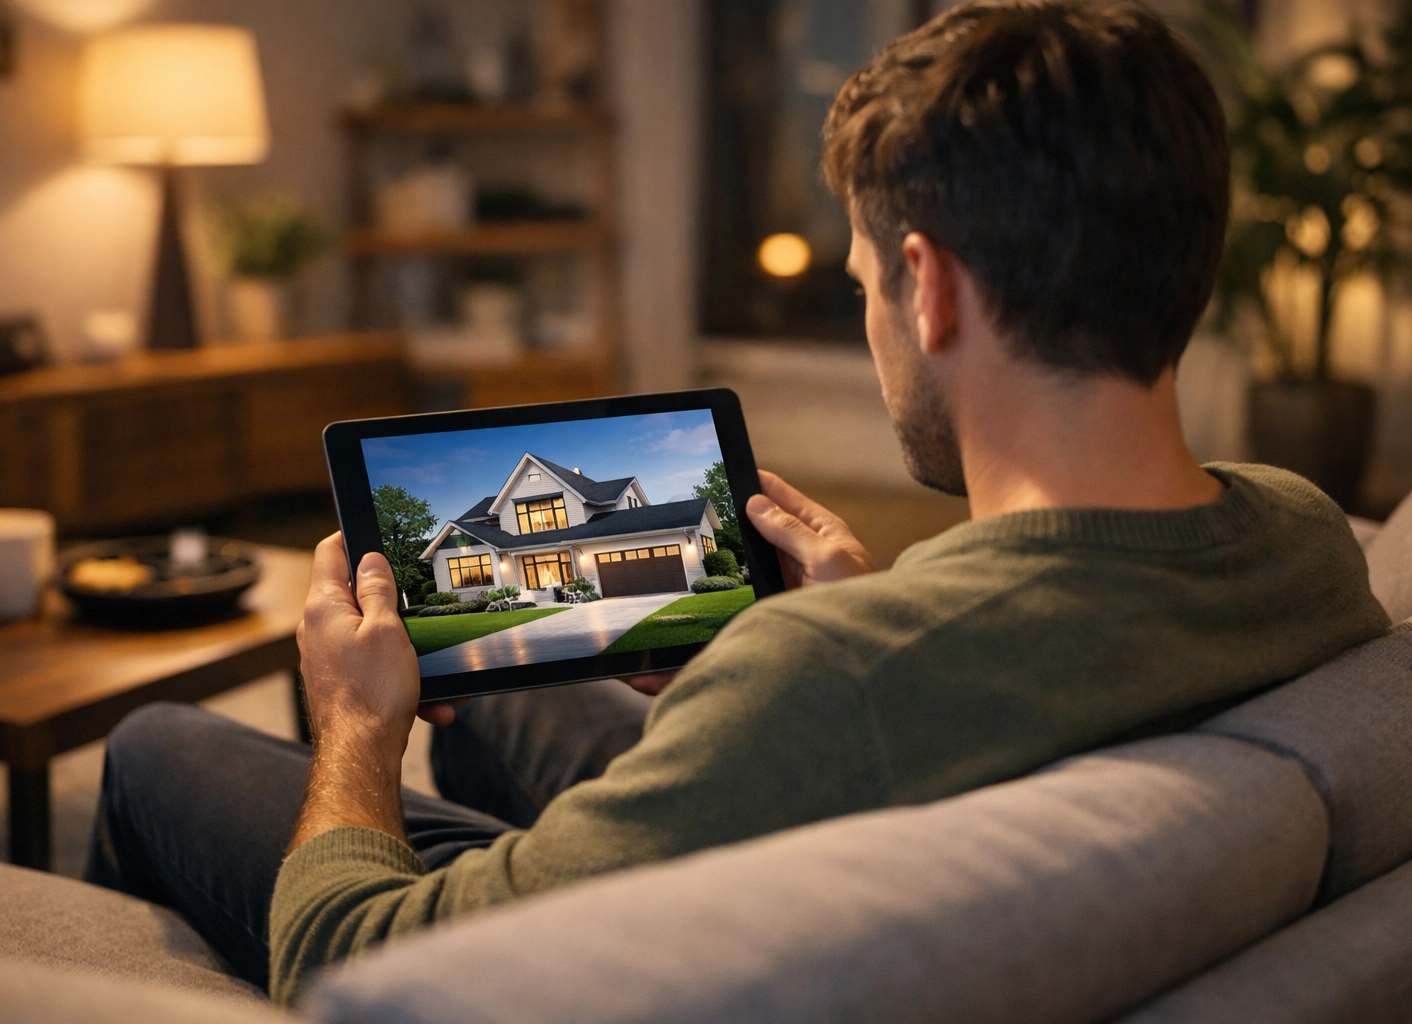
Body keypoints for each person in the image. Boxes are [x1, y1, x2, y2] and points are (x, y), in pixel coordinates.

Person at [86, 0, 1390, 1007]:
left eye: (865, 282)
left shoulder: (826, 679)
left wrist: (361, 725)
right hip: (883, 805)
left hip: (795, 822)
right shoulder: (1304, 533)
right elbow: (1032, 649)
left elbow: (343, 960)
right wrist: (872, 613)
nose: (872, 314)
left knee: (153, 749)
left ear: (929, 289)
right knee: (494, 723)